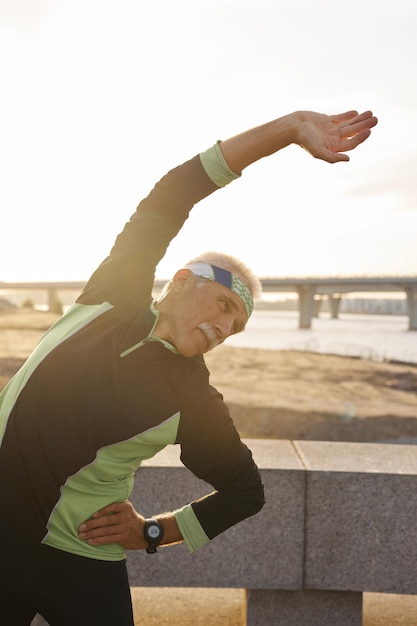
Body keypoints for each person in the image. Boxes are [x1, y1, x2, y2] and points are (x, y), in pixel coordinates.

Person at [0, 108, 377, 625]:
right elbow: (174, 193)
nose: (224, 329)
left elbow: (246, 492)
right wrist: (287, 130)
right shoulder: (112, 296)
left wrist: (153, 532)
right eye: (224, 306)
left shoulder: (193, 400)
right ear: (180, 280)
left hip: (81, 562)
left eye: (236, 326)